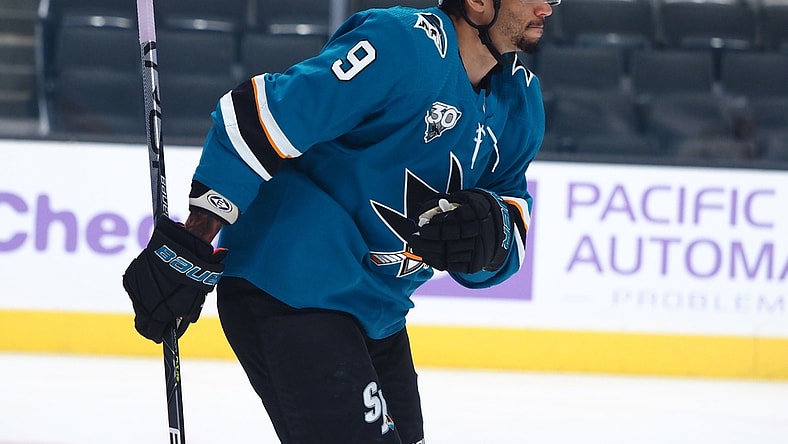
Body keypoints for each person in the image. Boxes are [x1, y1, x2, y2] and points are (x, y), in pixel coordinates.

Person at [122, 0, 557, 442]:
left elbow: (512, 212)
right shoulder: (404, 44)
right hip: (292, 286)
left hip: (379, 312)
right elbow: (264, 115)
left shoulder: (520, 103)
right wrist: (195, 239)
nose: (547, 7)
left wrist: (493, 234)